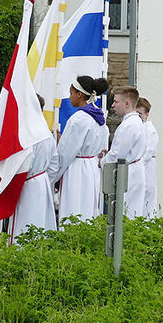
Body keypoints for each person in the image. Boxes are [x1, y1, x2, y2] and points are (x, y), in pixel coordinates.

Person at [49, 76, 110, 223]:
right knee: (88, 207)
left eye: (71, 93)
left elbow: (66, 152)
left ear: (79, 94)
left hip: (76, 168)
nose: (69, 97)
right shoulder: (99, 117)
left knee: (74, 206)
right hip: (91, 167)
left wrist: (52, 176)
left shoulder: (78, 119)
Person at [9, 96, 58, 241]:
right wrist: (43, 178)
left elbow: (23, 162)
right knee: (39, 220)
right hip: (42, 180)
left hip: (27, 182)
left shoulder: (26, 133)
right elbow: (54, 164)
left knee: (25, 220)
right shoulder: (47, 133)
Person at [102, 86, 147, 218]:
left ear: (127, 103)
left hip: (129, 174)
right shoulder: (133, 122)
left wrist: (102, 162)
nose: (113, 105)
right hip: (133, 170)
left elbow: (117, 154)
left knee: (126, 213)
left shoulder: (129, 125)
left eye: (116, 102)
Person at [137, 97, 159, 216]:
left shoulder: (150, 130)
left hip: (146, 166)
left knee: (147, 194)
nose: (138, 117)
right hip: (140, 165)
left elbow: (147, 152)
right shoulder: (136, 127)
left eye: (140, 114)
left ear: (147, 114)